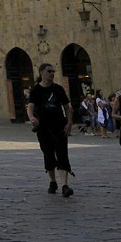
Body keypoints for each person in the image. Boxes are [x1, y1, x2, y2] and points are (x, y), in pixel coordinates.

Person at [25, 62, 74, 197]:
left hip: (59, 126)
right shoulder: (36, 90)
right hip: (43, 128)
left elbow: (67, 107)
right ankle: (53, 181)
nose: (52, 73)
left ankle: (64, 185)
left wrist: (69, 122)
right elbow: (30, 106)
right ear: (41, 73)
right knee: (48, 155)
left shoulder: (58, 89)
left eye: (53, 71)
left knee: (62, 154)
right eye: (49, 71)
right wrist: (31, 118)